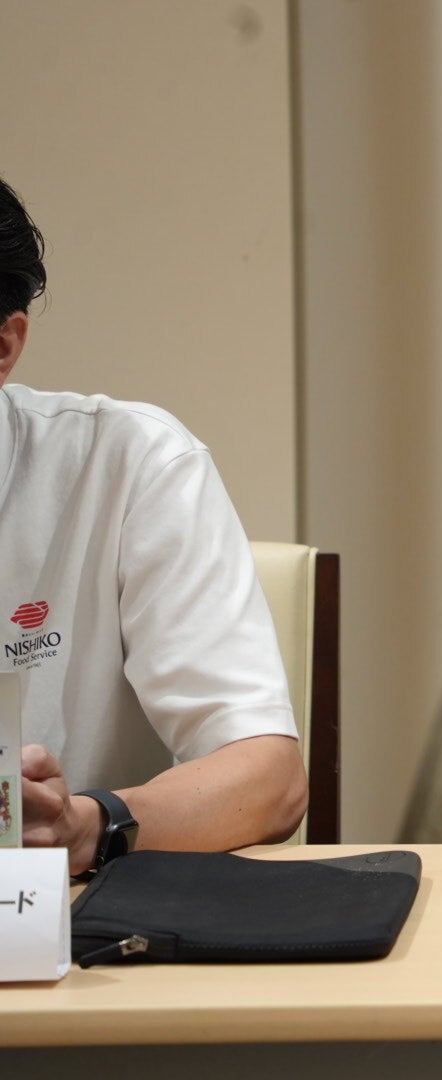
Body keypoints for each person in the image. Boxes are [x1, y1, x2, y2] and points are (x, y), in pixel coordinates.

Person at [0, 175, 307, 877]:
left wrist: (86, 826)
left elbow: (268, 776)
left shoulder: (129, 466)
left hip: (68, 920)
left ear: (5, 346)